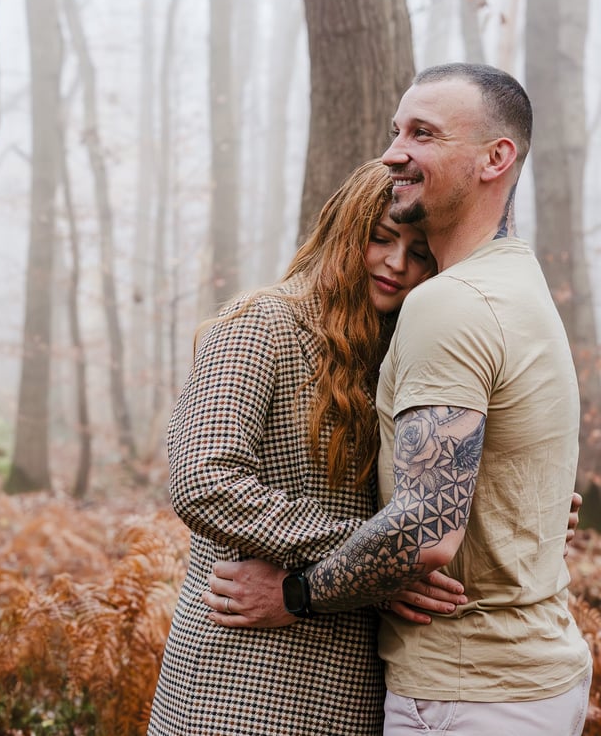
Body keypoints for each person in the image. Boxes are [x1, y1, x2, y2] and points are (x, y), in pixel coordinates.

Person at [204, 63, 592, 736]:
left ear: (495, 158)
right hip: (522, 679)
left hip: (468, 693)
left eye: (423, 133)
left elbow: (424, 531)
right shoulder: (515, 281)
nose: (393, 152)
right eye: (396, 130)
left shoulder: (450, 304)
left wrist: (294, 594)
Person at [147, 160, 466, 736]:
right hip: (239, 679)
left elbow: (427, 496)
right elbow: (204, 480)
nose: (397, 263)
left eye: (419, 253)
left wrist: (526, 505)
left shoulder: (404, 356)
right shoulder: (260, 323)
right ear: (345, 231)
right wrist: (379, 555)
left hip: (352, 682)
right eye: (381, 238)